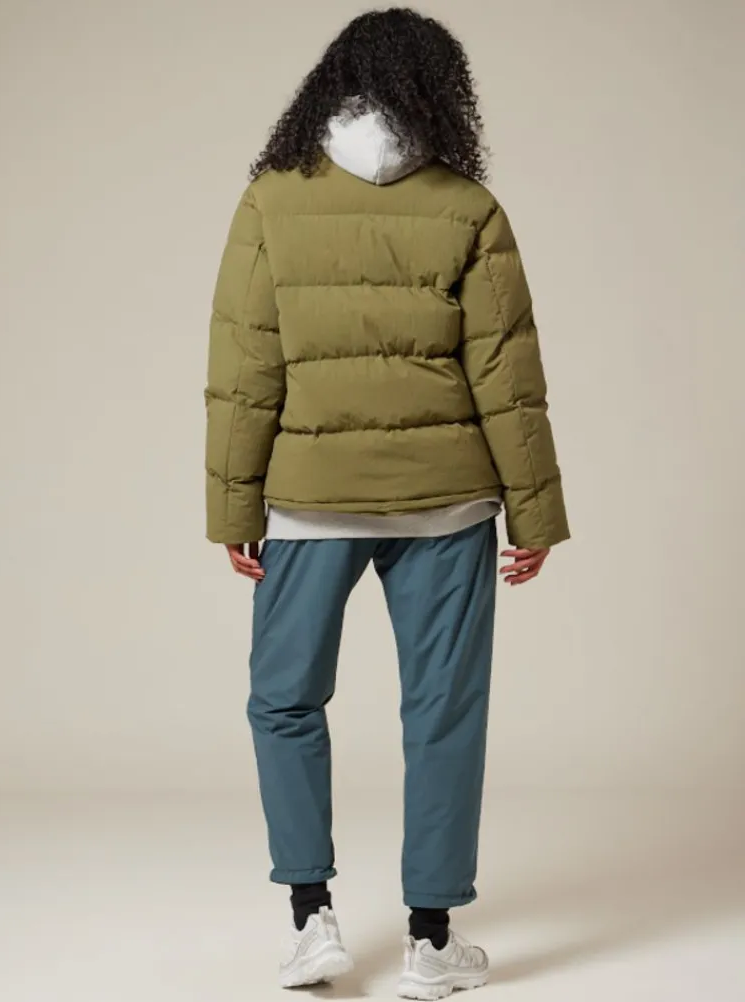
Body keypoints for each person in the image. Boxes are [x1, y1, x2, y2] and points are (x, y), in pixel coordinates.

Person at [204, 7, 569, 998]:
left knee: (284, 701)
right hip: (447, 505)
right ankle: (429, 941)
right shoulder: (468, 206)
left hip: (307, 504)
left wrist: (235, 510)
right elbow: (508, 378)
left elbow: (244, 369)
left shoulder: (271, 200)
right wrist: (533, 515)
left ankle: (309, 920)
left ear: (332, 84)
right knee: (444, 711)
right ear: (440, 92)